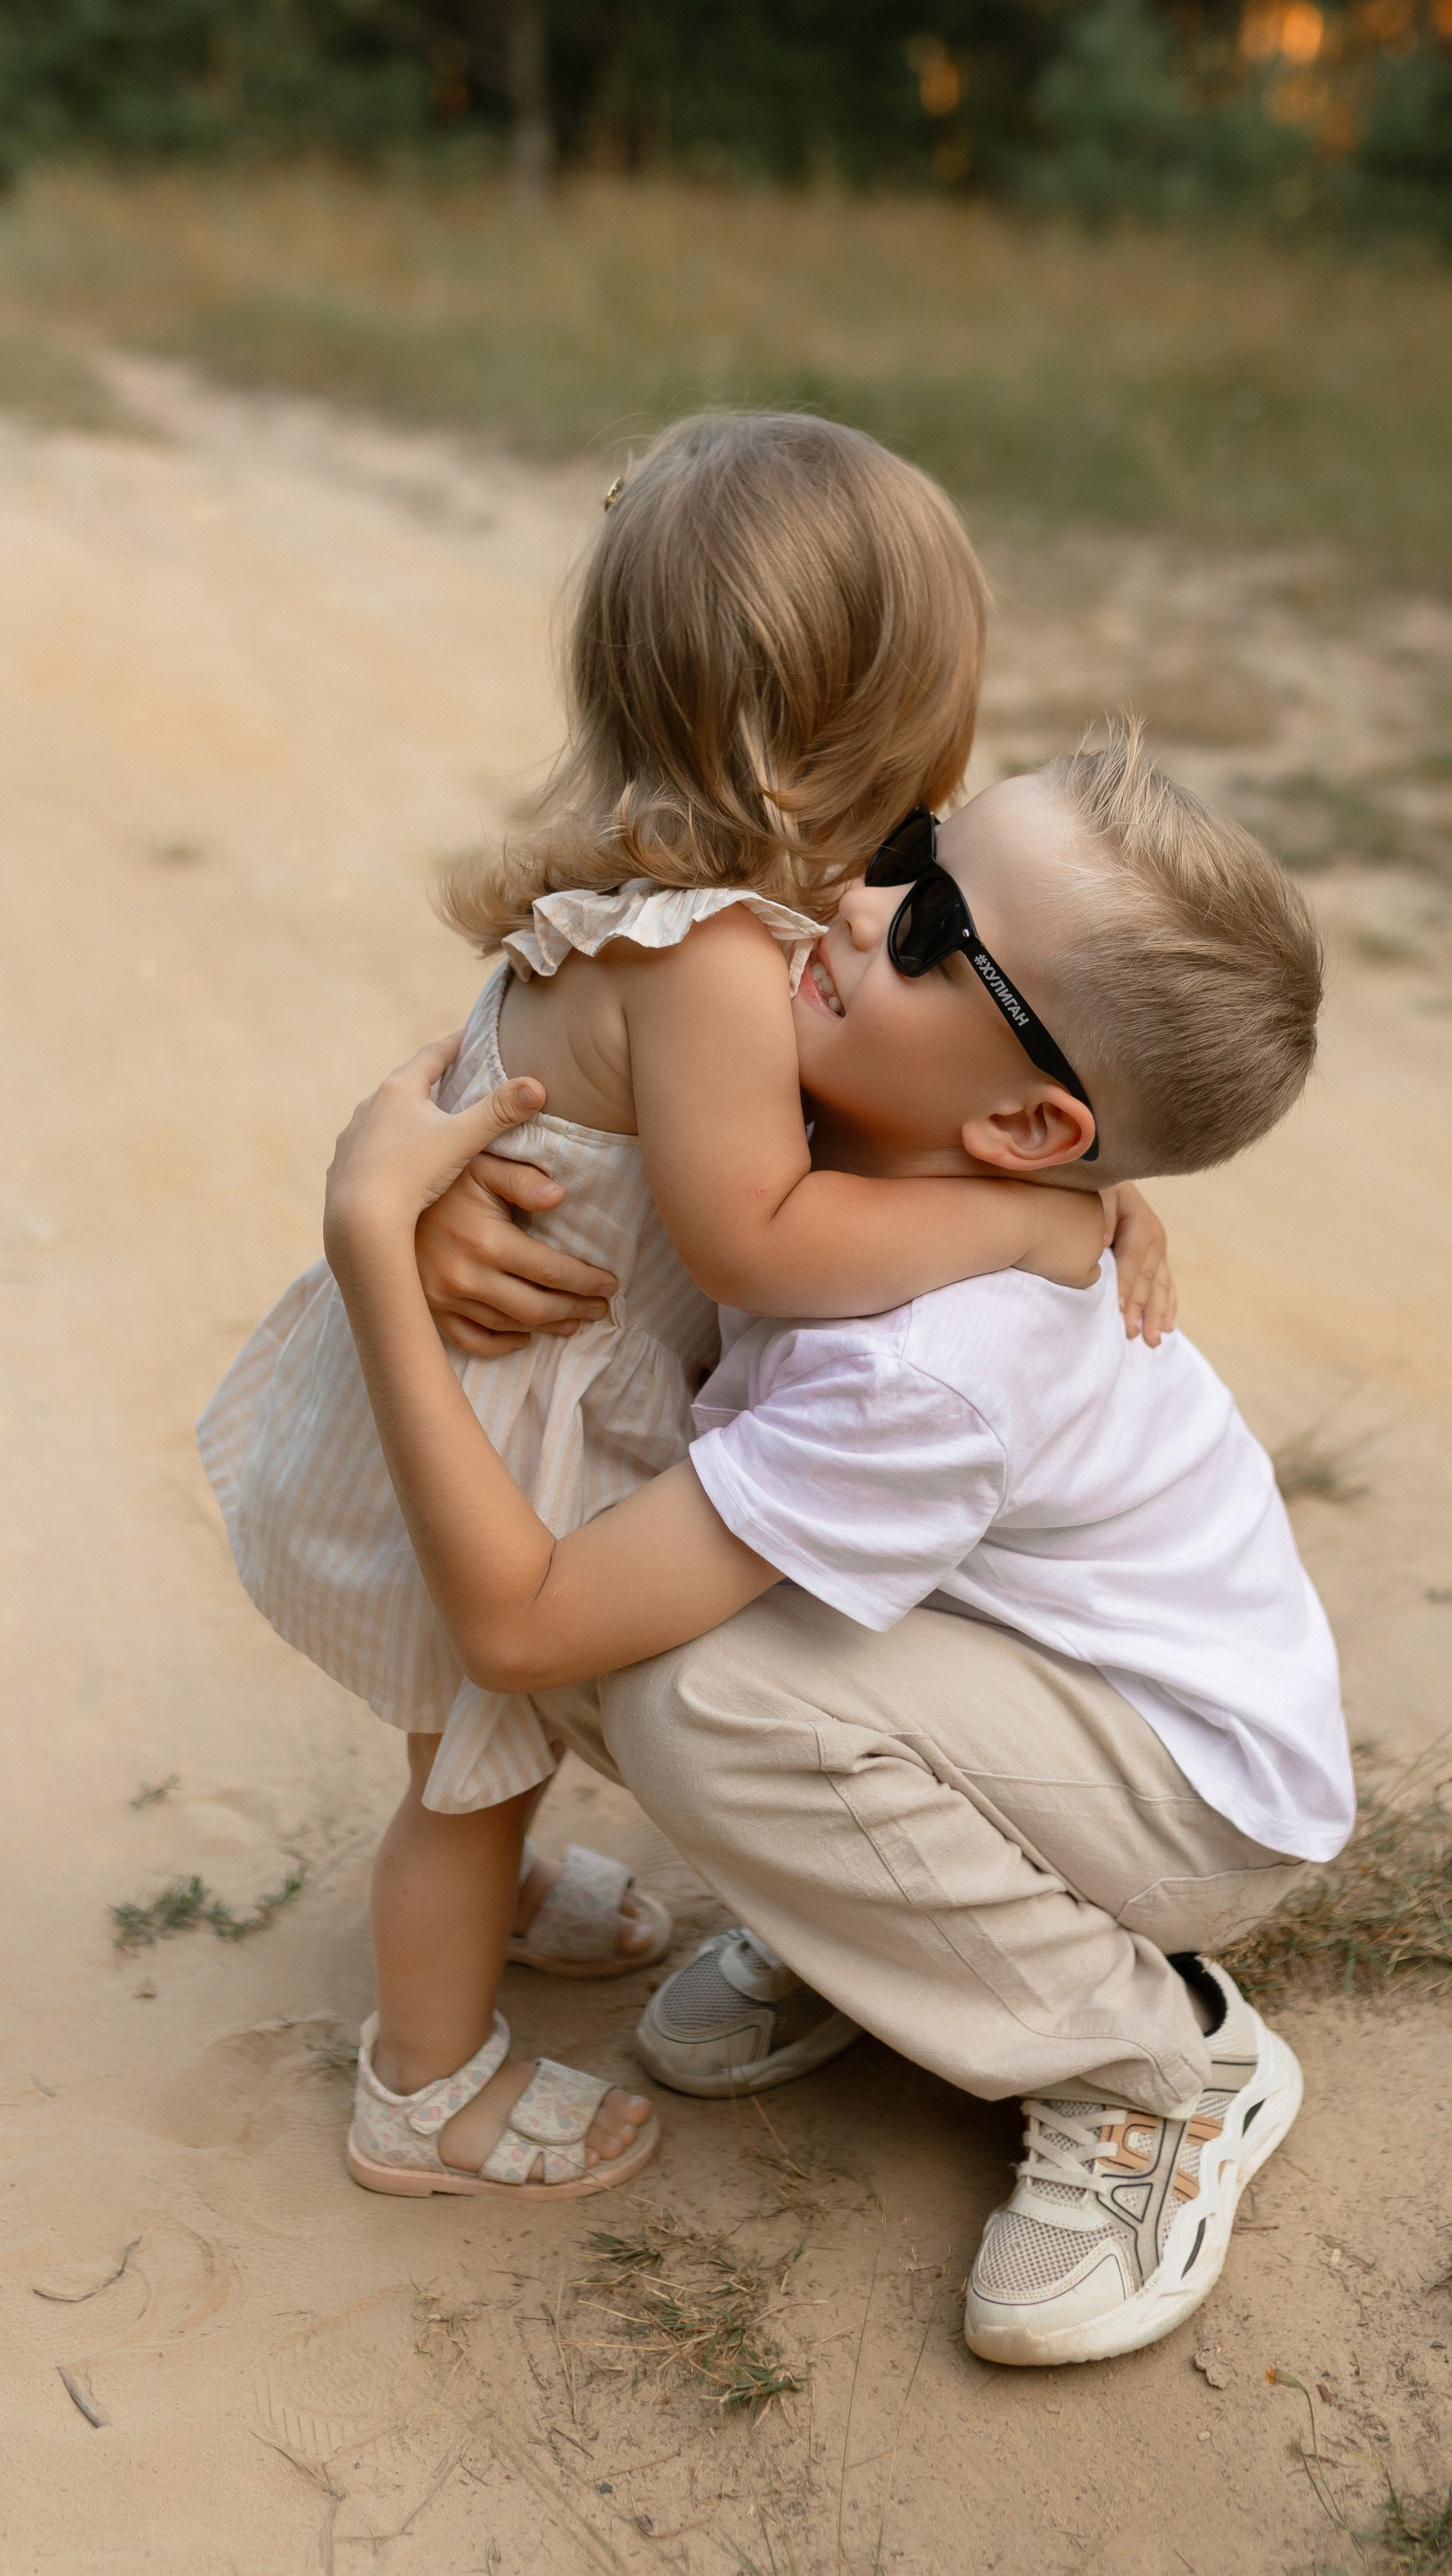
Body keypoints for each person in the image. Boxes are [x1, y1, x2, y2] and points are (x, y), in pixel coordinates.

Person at [199, 413, 1169, 2205]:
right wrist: (1038, 1218)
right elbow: (756, 1237)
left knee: (480, 1746)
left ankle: (495, 1900)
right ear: (871, 708)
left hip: (522, 1354)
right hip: (515, 1386)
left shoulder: (655, 885)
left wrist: (1093, 1172)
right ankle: (427, 2091)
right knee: (469, 1773)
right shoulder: (717, 950)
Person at [320, 725, 1353, 2366]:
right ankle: (886, 1932)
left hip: (1188, 1794)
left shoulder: (928, 1365)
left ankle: (1157, 2066)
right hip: (1019, 1680)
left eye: (940, 931)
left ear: (1023, 1129)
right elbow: (584, 1046)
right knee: (648, 1589)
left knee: (687, 1684)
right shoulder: (853, 1104)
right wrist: (463, 1180)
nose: (864, 905)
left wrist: (377, 1249)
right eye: (917, 848)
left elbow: (521, 1630)